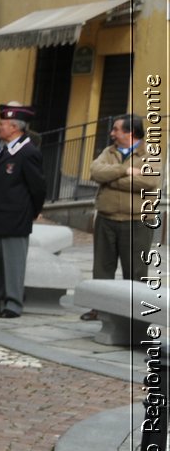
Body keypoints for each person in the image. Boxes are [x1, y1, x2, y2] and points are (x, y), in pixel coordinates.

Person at [0, 103, 45, 319]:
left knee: (13, 263)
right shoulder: (5, 149)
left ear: (14, 127)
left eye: (2, 123)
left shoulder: (28, 152)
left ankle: (13, 302)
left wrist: (33, 211)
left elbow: (38, 187)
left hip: (15, 217)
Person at [84, 114, 161, 313]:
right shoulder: (108, 151)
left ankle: (134, 311)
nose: (112, 133)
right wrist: (125, 171)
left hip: (137, 222)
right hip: (106, 219)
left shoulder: (150, 153)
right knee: (102, 268)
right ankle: (99, 309)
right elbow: (95, 172)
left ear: (131, 133)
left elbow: (148, 182)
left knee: (136, 270)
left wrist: (110, 178)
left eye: (116, 129)